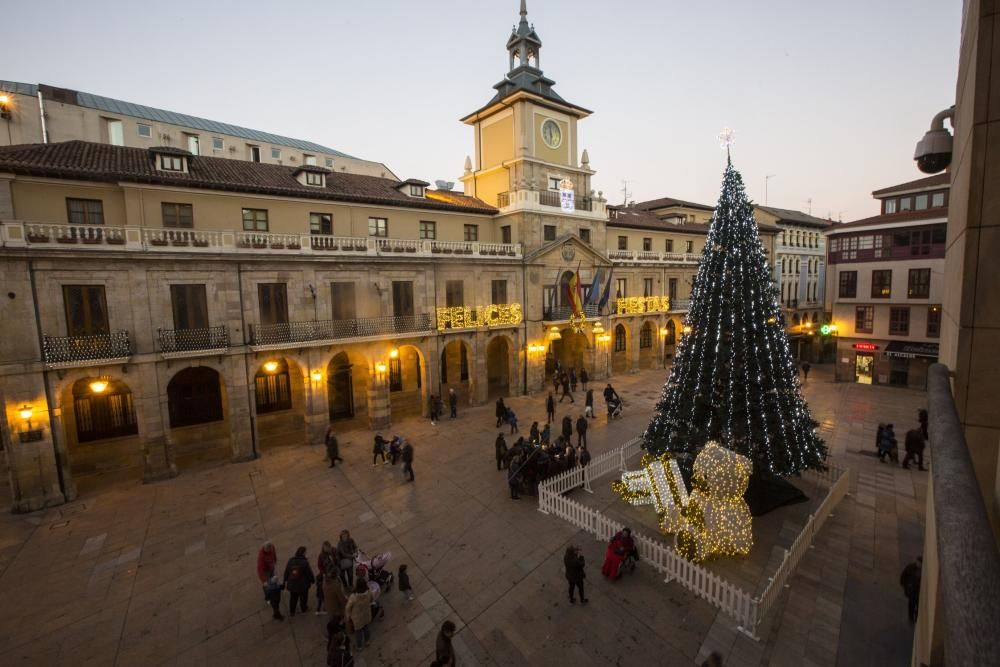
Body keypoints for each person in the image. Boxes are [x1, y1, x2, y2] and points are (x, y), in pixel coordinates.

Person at [283, 546, 316, 616]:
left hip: (292, 584)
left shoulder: (291, 560)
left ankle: (292, 611)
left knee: (293, 598)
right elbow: (309, 573)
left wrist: (285, 579)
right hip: (302, 585)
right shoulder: (304, 562)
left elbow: (287, 571)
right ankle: (303, 609)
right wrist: (312, 580)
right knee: (303, 598)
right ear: (303, 553)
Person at [345, 579, 374, 650]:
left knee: (358, 633)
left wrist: (348, 616)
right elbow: (371, 600)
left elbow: (348, 608)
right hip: (366, 615)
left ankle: (359, 646)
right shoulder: (369, 593)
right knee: (366, 628)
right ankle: (367, 641)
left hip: (357, 618)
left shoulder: (353, 597)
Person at [900, 556, 922, 624]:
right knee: (911, 605)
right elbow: (904, 576)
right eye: (918, 562)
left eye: (919, 563)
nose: (918, 564)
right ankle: (911, 618)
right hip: (912, 592)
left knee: (918, 606)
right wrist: (905, 586)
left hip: (917, 593)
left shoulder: (922, 571)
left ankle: (915, 618)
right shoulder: (911, 567)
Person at [316, 540, 336, 615]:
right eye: (325, 548)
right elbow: (319, 565)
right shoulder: (321, 556)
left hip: (333, 572)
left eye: (328, 548)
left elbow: (337, 560)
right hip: (327, 573)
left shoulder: (333, 551)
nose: (327, 549)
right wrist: (324, 573)